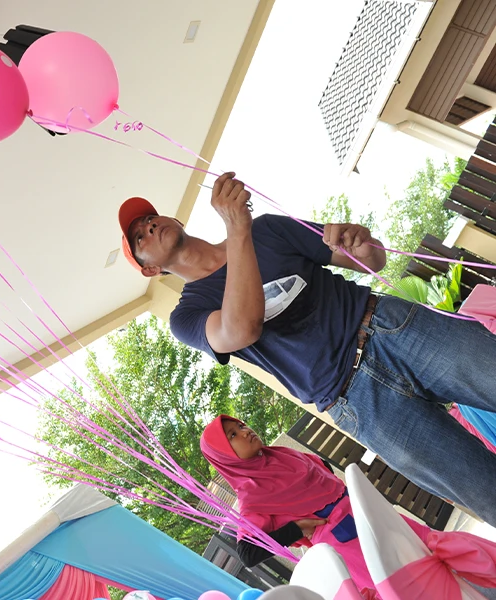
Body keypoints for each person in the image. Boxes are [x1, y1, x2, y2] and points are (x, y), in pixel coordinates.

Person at [116, 172, 496, 526]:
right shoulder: (186, 316)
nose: (149, 227)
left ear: (174, 220)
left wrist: (361, 244)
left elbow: (372, 260)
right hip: (356, 401)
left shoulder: (266, 229)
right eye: (139, 239)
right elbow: (242, 329)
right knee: (483, 490)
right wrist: (237, 229)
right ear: (150, 270)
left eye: (150, 219)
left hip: (393, 328)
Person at [201, 415, 496, 599]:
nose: (245, 431)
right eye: (232, 435)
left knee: (429, 552)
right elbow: (248, 553)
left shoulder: (282, 455)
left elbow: (323, 470)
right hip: (347, 543)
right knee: (406, 583)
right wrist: (296, 529)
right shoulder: (251, 498)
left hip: (366, 511)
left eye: (240, 425)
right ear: (225, 456)